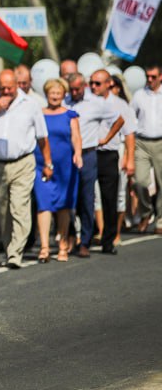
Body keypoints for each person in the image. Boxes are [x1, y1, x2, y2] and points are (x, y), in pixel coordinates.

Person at [0, 69, 52, 269]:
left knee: (19, 207)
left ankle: (16, 252)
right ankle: (9, 249)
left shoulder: (30, 105)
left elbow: (42, 137)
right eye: (2, 88)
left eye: (10, 87)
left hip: (23, 162)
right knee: (4, 209)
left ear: (18, 85)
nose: (6, 91)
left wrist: (48, 163)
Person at [67, 72, 121, 258]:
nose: (74, 92)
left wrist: (106, 138)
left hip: (88, 153)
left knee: (87, 198)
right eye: (71, 89)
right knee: (70, 199)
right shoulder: (65, 102)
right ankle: (70, 237)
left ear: (84, 87)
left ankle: (86, 240)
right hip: (68, 155)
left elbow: (119, 119)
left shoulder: (96, 103)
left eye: (77, 89)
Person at [33, 78, 81, 262]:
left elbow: (76, 137)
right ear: (46, 94)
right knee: (43, 204)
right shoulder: (39, 114)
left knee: (63, 205)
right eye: (51, 93)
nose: (54, 96)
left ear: (64, 95)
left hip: (65, 166)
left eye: (58, 93)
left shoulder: (70, 115)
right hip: (41, 164)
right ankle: (44, 247)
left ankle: (62, 245)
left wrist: (77, 154)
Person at [91, 69, 135, 254]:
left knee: (110, 199)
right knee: (91, 197)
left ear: (109, 83)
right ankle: (88, 235)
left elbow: (129, 131)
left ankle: (109, 238)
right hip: (89, 154)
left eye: (97, 83)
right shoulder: (87, 102)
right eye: (91, 83)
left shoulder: (119, 104)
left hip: (108, 154)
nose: (93, 87)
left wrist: (130, 158)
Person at [131, 64, 162, 233]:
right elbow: (130, 116)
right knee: (140, 181)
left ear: (160, 77)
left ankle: (160, 219)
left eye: (153, 77)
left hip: (161, 142)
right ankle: (145, 212)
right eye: (147, 77)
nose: (150, 80)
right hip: (142, 142)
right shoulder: (139, 95)